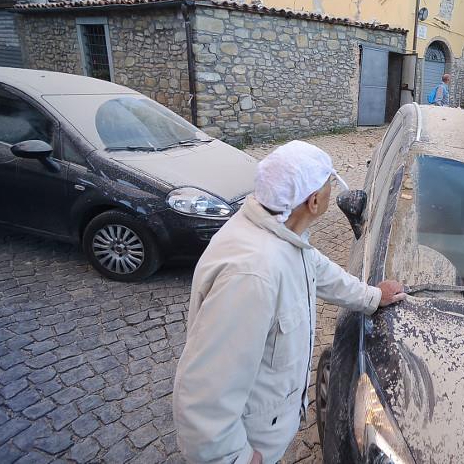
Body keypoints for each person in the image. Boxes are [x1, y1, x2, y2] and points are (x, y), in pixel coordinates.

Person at [172, 141, 407, 464]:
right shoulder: (252, 275)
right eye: (327, 185)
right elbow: (203, 395)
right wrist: (235, 458)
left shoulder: (280, 231)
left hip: (268, 435)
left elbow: (319, 270)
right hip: (252, 449)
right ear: (313, 202)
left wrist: (373, 296)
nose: (330, 193)